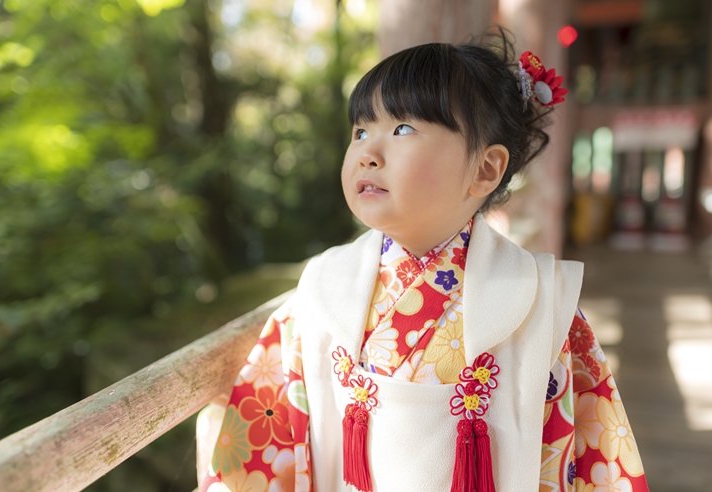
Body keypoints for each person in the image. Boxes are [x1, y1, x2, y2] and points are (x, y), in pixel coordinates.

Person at [199, 33, 649, 492]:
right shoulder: (322, 290)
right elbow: (267, 435)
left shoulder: (542, 304)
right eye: (360, 131)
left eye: (402, 129)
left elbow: (581, 458)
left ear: (485, 170)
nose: (368, 154)